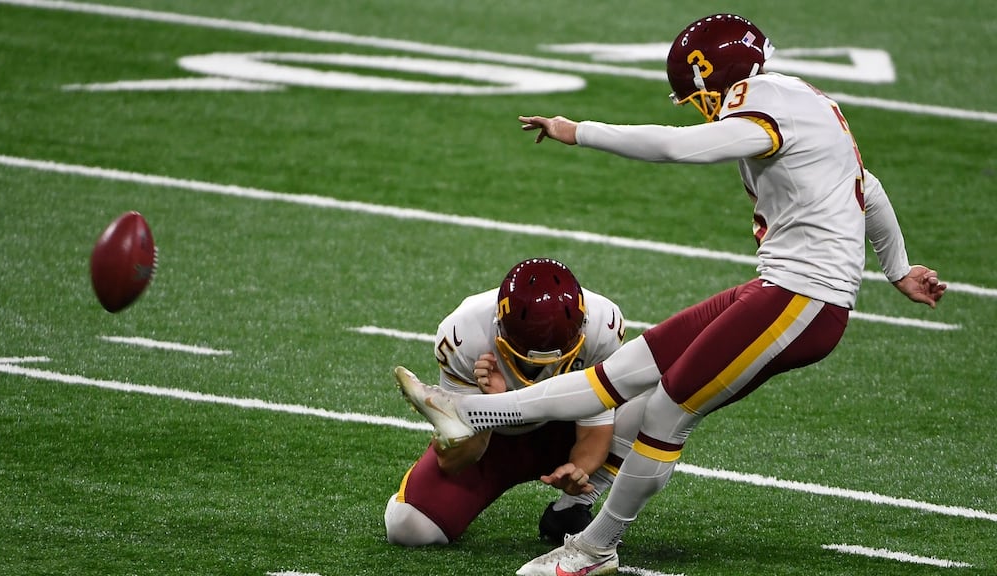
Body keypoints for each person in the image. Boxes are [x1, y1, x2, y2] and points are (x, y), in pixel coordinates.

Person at [392, 13, 947, 576]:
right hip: (780, 289)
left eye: (697, 93)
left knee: (665, 412)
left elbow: (679, 147)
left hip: (803, 298)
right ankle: (466, 411)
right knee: (622, 373)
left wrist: (576, 130)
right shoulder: (803, 99)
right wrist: (897, 268)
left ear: (716, 75)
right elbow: (869, 188)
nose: (700, 105)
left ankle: (593, 550)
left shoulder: (763, 101)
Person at [385, 257, 636, 546]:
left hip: (561, 428)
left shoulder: (602, 327)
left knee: (647, 392)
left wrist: (579, 470)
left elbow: (596, 422)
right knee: (408, 527)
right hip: (494, 445)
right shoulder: (465, 334)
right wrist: (491, 406)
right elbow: (452, 461)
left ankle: (571, 510)